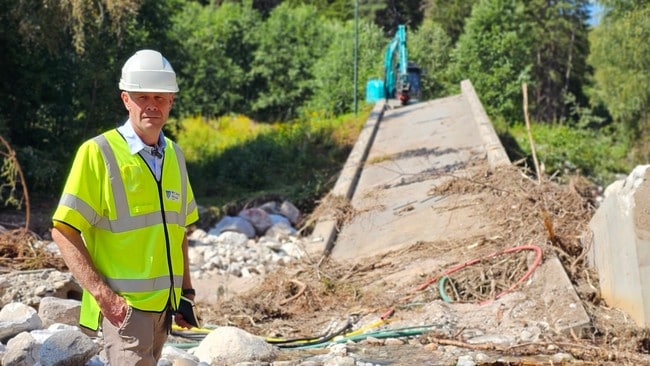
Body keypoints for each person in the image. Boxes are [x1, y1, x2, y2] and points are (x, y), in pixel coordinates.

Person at [51, 49, 199, 365]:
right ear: (125, 99)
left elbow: (178, 229)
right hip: (125, 312)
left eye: (160, 97)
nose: (151, 105)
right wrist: (104, 297)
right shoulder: (98, 152)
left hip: (165, 309)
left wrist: (186, 293)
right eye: (141, 96)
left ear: (171, 101)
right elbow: (63, 230)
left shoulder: (175, 155)